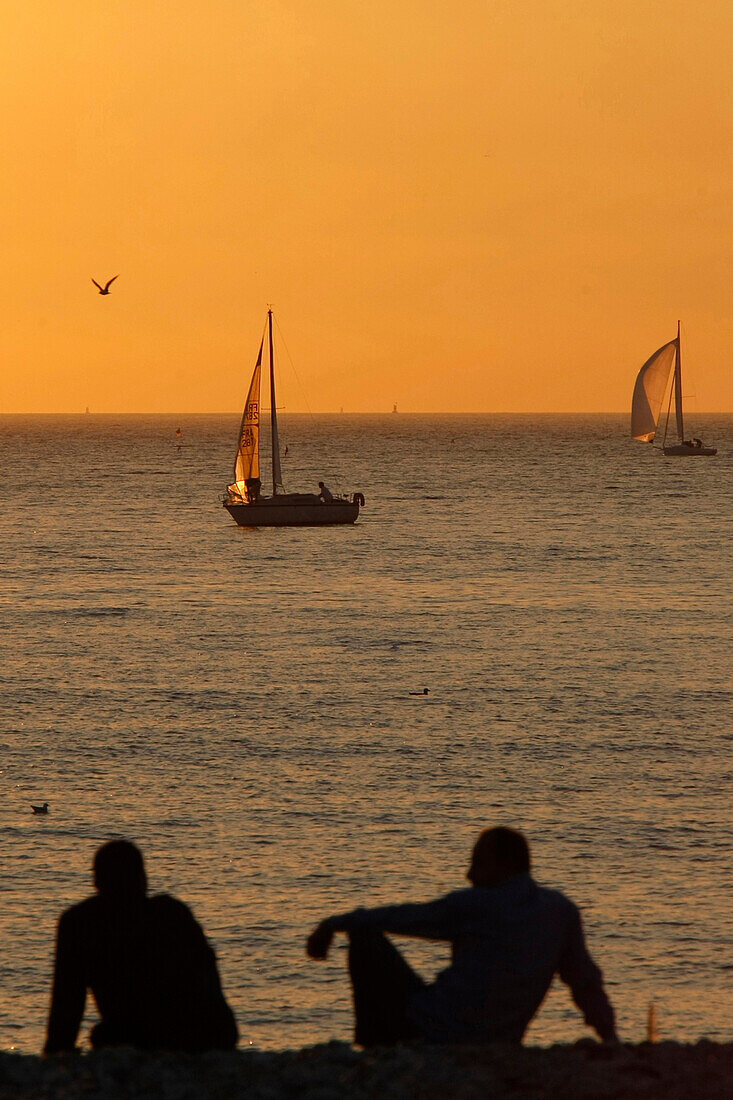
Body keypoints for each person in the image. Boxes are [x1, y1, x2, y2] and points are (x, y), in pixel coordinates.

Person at [306, 826, 617, 1046]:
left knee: (365, 937)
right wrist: (610, 1036)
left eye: (478, 863)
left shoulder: (474, 904)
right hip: (501, 1040)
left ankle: (376, 1047)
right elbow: (584, 981)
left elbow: (401, 917)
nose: (469, 875)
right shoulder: (561, 911)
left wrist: (332, 924)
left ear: (507, 865)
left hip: (434, 1029)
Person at [44, 840, 238, 1053]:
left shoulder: (80, 924)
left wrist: (56, 1055)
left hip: (172, 1036)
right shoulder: (172, 915)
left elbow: (66, 1010)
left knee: (106, 1036)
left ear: (97, 882)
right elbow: (212, 993)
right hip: (203, 1036)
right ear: (142, 880)